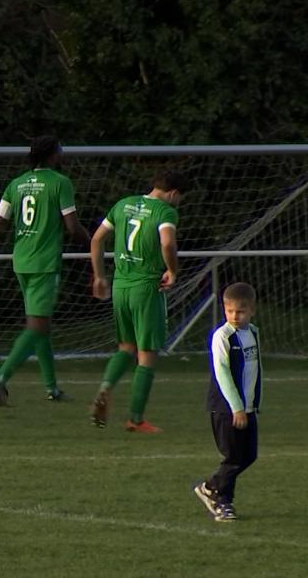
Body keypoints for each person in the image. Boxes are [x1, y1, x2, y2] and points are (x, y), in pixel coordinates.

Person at [0, 136, 89, 404]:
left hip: (21, 262)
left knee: (41, 325)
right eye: (60, 149)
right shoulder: (60, 183)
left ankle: (52, 388)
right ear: (53, 155)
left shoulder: (17, 184)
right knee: (36, 327)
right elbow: (72, 226)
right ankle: (0, 379)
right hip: (44, 264)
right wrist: (94, 242)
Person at [88, 169, 187, 433]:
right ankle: (135, 418)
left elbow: (97, 239)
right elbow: (167, 243)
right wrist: (173, 270)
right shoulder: (165, 212)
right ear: (173, 194)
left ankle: (105, 388)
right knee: (146, 355)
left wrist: (99, 276)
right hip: (146, 288)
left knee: (125, 347)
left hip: (121, 287)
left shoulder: (124, 204)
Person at [193, 282, 261, 522]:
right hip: (227, 408)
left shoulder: (253, 332)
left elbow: (253, 370)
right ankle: (223, 502)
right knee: (232, 457)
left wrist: (251, 403)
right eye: (229, 310)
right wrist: (237, 407)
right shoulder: (222, 336)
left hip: (247, 407)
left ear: (252, 309)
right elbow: (222, 373)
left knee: (249, 455)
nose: (234, 316)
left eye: (240, 311)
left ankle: (210, 487)